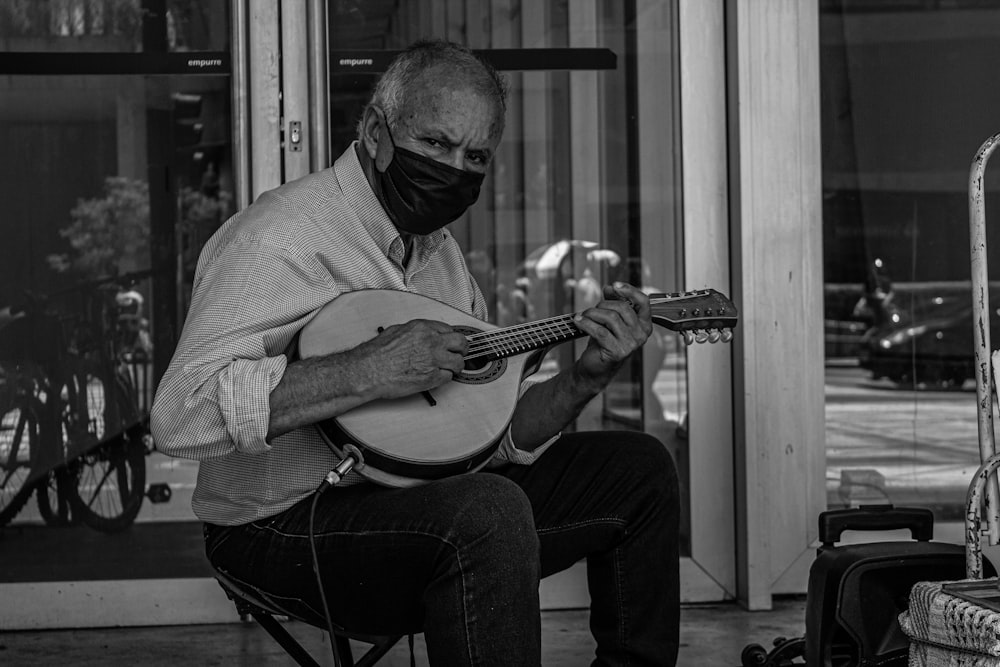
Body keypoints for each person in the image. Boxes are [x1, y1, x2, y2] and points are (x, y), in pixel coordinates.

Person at [151, 39, 679, 666]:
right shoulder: (279, 238)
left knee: (637, 470)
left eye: (475, 155)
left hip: (421, 501)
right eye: (435, 144)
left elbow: (481, 439)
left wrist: (583, 380)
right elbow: (177, 416)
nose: (455, 169)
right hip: (277, 525)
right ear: (377, 131)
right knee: (487, 512)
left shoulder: (440, 258)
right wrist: (366, 370)